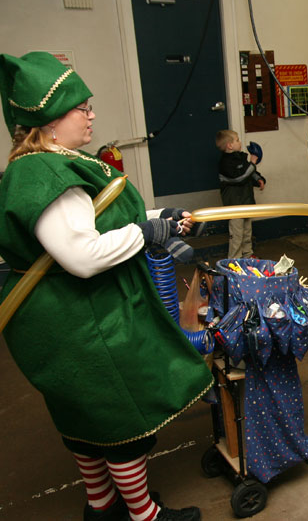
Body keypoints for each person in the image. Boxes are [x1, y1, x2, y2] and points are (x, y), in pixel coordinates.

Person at [0, 52, 211, 521]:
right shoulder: (45, 173)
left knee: (85, 417)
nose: (92, 115)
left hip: (71, 318)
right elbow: (82, 255)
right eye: (83, 108)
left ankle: (101, 507)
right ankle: (144, 515)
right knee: (122, 418)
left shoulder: (57, 162)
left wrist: (162, 220)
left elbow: (106, 218)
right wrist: (147, 234)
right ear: (52, 120)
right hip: (83, 322)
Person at [216, 129, 265, 259]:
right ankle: (235, 259)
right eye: (237, 140)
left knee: (247, 232)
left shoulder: (241, 158)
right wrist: (253, 162)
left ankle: (247, 255)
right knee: (237, 234)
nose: (240, 142)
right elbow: (240, 177)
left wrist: (258, 179)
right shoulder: (225, 163)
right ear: (230, 145)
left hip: (246, 201)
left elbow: (248, 172)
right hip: (234, 205)